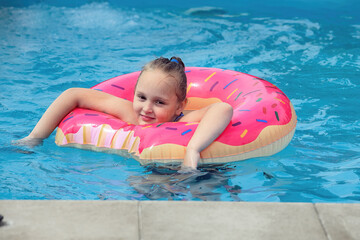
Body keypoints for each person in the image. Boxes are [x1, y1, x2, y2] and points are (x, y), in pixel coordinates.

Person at [17, 57, 233, 170]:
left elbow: (223, 108)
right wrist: (34, 138)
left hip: (199, 169)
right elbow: (73, 94)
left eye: (159, 102)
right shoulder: (130, 113)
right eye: (141, 97)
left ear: (179, 106)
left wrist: (193, 150)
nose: (147, 108)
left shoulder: (183, 120)